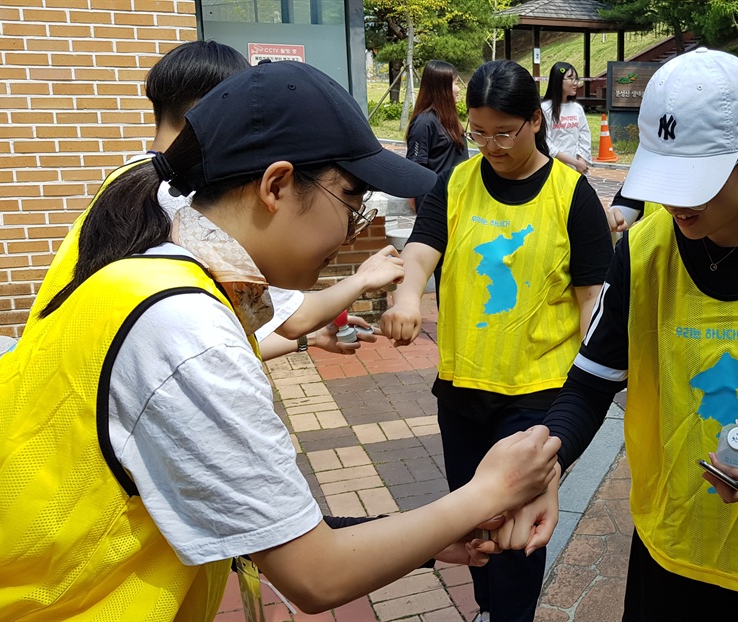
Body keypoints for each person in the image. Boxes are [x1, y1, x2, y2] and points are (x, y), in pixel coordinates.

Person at [0, 61, 562, 620]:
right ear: (277, 185)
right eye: (351, 203)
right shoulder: (189, 332)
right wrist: (490, 491)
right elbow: (315, 576)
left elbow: (271, 529)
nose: (350, 230)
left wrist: (430, 538)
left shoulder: (157, 273)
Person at [501, 49, 738, 620]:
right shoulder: (642, 252)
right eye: (665, 177)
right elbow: (589, 385)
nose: (675, 202)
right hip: (677, 545)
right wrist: (550, 467)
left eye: (697, 181)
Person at [381, 59, 613, 622]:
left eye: (504, 132)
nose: (491, 145)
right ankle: (490, 610)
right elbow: (422, 248)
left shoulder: (570, 195)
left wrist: (592, 385)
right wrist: (408, 295)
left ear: (536, 120)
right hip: (463, 391)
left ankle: (511, 615)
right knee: (474, 522)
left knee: (515, 525)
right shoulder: (458, 181)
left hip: (539, 395)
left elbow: (590, 299)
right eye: (479, 131)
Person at [104, 40, 397, 360]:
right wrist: (363, 279)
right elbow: (292, 320)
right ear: (213, 114)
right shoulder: (179, 204)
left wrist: (309, 341)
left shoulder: (129, 179)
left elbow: (239, 332)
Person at [406, 60, 469, 209]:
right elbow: (415, 166)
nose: (458, 89)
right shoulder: (424, 122)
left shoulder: (449, 120)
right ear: (442, 88)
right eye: (454, 83)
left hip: (456, 198)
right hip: (435, 203)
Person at [540, 62, 592, 175]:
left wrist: (581, 161)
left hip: (576, 170)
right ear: (558, 80)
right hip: (553, 169)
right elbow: (546, 143)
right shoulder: (545, 109)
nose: (575, 83)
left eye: (576, 79)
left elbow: (585, 136)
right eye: (570, 78)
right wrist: (574, 162)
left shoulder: (577, 108)